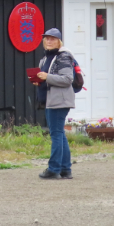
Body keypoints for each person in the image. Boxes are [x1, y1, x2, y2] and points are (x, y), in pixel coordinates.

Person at [33, 28, 76, 179]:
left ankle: (54, 169)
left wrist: (47, 77)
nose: (49, 41)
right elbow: (48, 78)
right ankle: (65, 169)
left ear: (59, 41)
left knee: (56, 134)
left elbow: (67, 79)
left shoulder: (63, 57)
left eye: (53, 39)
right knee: (60, 134)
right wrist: (39, 81)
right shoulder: (46, 58)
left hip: (60, 100)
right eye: (47, 38)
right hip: (51, 99)